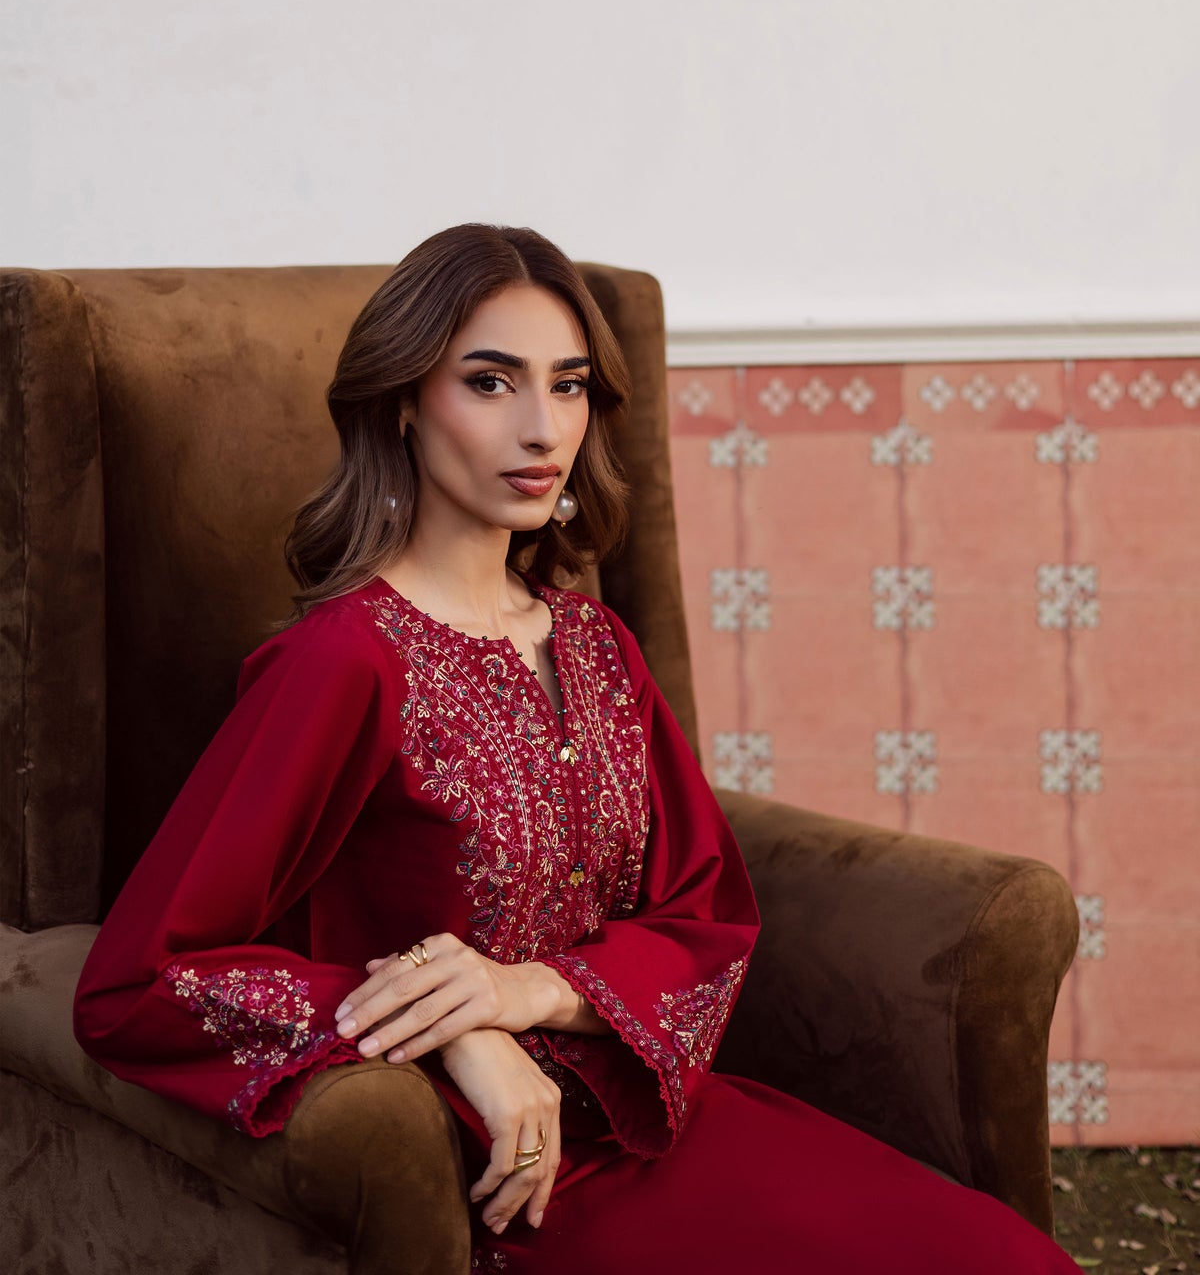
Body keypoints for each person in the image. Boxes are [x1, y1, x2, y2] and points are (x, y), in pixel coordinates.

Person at [73, 223, 1079, 1273]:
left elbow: (704, 917)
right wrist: (453, 1031)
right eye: (491, 383)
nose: (542, 428)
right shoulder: (342, 662)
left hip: (651, 1114)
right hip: (496, 1174)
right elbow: (139, 982)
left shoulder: (595, 643)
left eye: (568, 386)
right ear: (404, 403)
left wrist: (529, 992)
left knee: (1006, 1262)